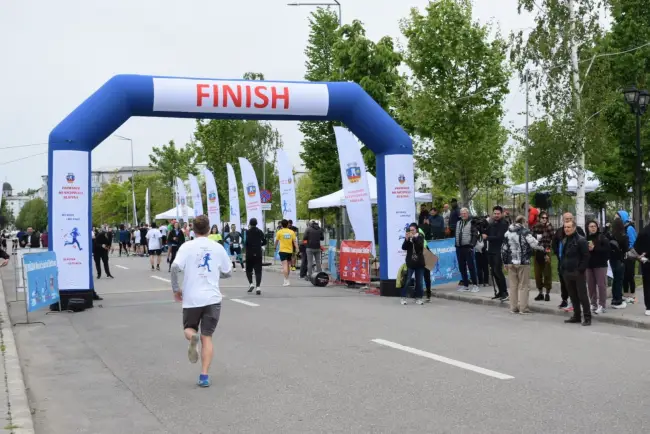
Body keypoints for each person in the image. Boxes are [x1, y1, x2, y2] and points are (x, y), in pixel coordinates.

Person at [170, 215, 232, 387]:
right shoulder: (217, 247)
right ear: (208, 228)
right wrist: (214, 273)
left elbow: (174, 268)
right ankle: (204, 375)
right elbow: (228, 272)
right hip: (212, 298)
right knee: (208, 337)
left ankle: (192, 337)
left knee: (188, 329)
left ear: (193, 229)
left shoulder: (186, 246)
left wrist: (176, 290)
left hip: (192, 297)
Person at [502, 215, 544, 314]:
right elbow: (534, 244)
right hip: (523, 262)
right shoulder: (525, 232)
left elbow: (503, 249)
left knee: (513, 286)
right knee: (524, 286)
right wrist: (542, 247)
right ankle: (523, 308)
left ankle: (513, 308)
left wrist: (504, 262)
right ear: (523, 222)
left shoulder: (507, 232)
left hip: (510, 262)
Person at [560, 220, 591, 326]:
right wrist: (563, 268)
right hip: (567, 272)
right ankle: (576, 316)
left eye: (569, 227)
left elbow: (586, 256)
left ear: (574, 228)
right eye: (565, 227)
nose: (566, 229)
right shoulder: (564, 240)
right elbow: (563, 255)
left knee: (582, 295)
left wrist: (580, 269)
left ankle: (587, 317)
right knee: (573, 295)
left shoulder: (581, 240)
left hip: (577, 272)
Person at [552, 212, 585, 310]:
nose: (568, 220)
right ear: (563, 220)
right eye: (566, 218)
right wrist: (558, 254)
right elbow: (554, 243)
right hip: (562, 261)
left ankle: (575, 301)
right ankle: (564, 299)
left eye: (570, 218)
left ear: (573, 219)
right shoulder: (559, 231)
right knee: (563, 281)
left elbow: (583, 244)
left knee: (574, 283)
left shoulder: (578, 230)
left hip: (574, 262)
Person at [484, 206, 509, 300]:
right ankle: (500, 291)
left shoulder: (504, 223)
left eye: (498, 214)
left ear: (501, 214)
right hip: (491, 250)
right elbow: (486, 232)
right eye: (495, 213)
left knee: (498, 271)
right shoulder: (492, 223)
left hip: (499, 250)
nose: (496, 215)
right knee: (494, 272)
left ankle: (505, 292)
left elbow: (500, 237)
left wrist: (487, 237)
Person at [586, 220, 609, 314]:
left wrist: (594, 248)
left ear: (597, 227)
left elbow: (607, 249)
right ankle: (593, 303)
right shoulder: (585, 238)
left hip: (600, 265)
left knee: (601, 285)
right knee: (591, 286)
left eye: (594, 226)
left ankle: (602, 305)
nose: (593, 228)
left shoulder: (602, 237)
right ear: (587, 228)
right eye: (591, 226)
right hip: (589, 265)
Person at [400, 223, 426, 305]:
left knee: (420, 282)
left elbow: (419, 246)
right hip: (410, 263)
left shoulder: (420, 236)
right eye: (410, 230)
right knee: (407, 281)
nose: (411, 232)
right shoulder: (409, 237)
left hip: (419, 263)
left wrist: (413, 238)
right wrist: (407, 239)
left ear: (416, 230)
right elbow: (404, 247)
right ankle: (403, 297)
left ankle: (418, 298)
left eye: (412, 230)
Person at [455, 207, 479, 292]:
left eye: (465, 213)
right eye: (462, 213)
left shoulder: (472, 222)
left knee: (471, 266)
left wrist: (472, 245)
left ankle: (475, 285)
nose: (463, 215)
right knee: (462, 267)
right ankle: (465, 285)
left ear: (467, 214)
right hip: (459, 248)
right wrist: (456, 245)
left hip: (468, 247)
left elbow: (475, 235)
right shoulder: (458, 222)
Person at [606, 219, 629, 309]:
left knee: (615, 280)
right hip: (620, 260)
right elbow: (626, 249)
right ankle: (618, 300)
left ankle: (614, 299)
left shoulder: (610, 236)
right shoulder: (624, 237)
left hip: (612, 259)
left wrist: (606, 228)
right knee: (619, 281)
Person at [616, 210, 637, 304]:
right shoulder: (621, 228)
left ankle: (632, 295)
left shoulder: (629, 228)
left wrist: (626, 249)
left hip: (629, 255)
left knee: (629, 275)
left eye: (618, 217)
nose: (616, 219)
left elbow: (633, 242)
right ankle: (625, 295)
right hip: (623, 255)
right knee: (624, 276)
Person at [532, 211, 554, 301]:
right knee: (538, 273)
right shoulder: (535, 227)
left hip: (547, 250)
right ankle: (540, 292)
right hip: (537, 251)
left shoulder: (549, 227)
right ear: (539, 218)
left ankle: (547, 293)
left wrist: (547, 227)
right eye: (543, 218)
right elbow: (532, 238)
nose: (544, 219)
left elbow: (553, 237)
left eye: (546, 218)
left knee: (547, 272)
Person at [244, 218, 266, 294]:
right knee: (258, 271)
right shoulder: (260, 231)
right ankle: (258, 287)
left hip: (249, 253)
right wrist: (259, 244)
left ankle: (251, 284)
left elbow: (245, 242)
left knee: (248, 270)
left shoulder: (247, 232)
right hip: (258, 253)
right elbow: (264, 241)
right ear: (256, 223)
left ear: (250, 224)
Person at [275, 219, 298, 286]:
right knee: (288, 265)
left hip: (282, 251)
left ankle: (286, 280)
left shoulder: (279, 232)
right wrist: (297, 248)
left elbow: (276, 241)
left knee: (284, 265)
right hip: (289, 251)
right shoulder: (291, 232)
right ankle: (287, 279)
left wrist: (275, 247)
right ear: (287, 224)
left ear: (281, 225)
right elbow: (295, 241)